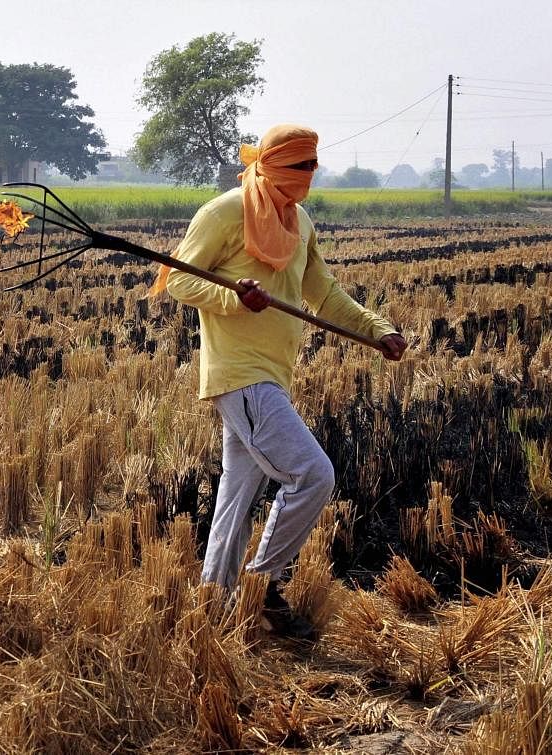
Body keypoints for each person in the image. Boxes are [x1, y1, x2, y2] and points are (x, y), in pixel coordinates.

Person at [159, 124, 407, 639]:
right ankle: (260, 585)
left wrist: (377, 329)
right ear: (272, 165)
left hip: (274, 374)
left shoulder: (299, 222)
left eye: (314, 166)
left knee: (237, 493)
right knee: (313, 475)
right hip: (241, 375)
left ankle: (214, 602)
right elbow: (179, 278)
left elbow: (325, 293)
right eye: (300, 166)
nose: (309, 176)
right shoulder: (225, 212)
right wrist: (233, 297)